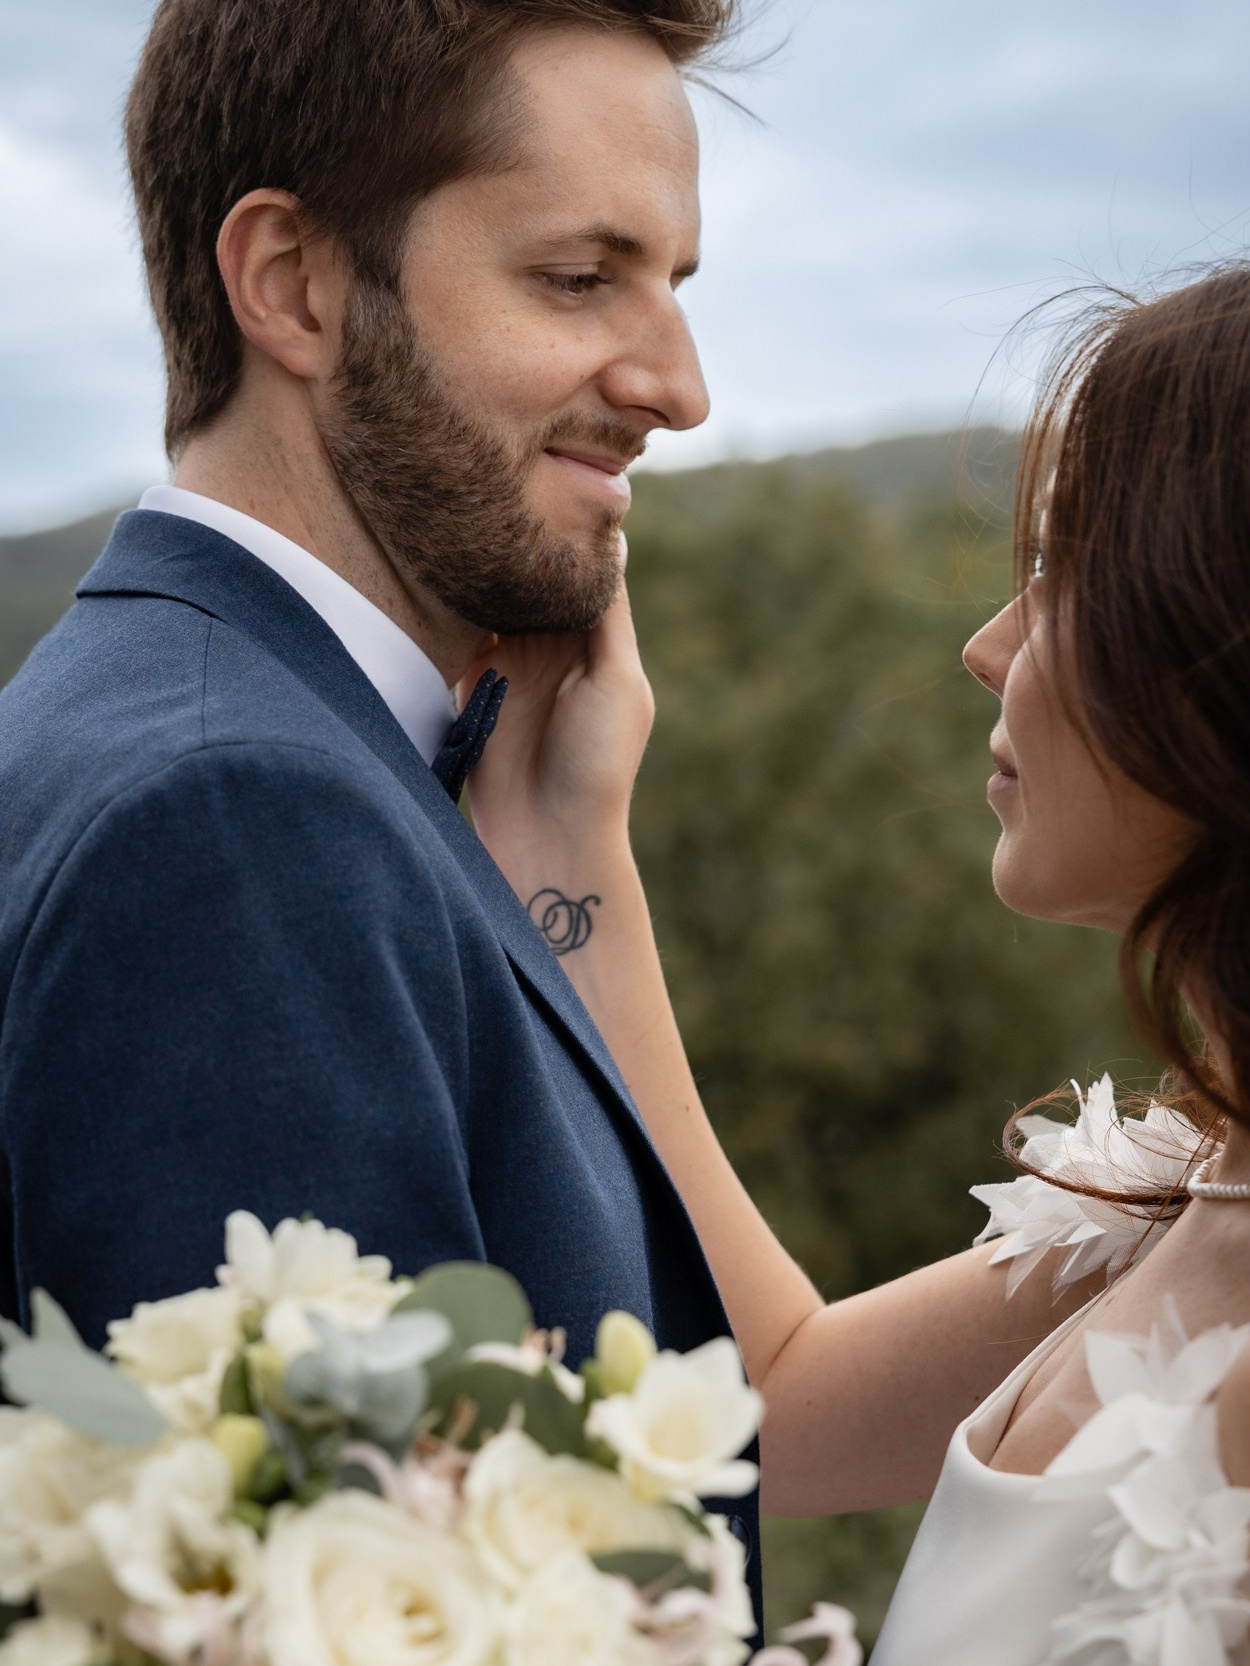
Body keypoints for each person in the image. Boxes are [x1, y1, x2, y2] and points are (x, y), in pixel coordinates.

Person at [0, 0, 779, 1599]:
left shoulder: (192, 730)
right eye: (580, 277)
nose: (678, 386)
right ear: (292, 283)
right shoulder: (237, 821)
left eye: (674, 285)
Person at [465, 260, 1250, 1665]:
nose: (989, 647)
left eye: (1063, 576)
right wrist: (569, 830)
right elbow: (768, 1394)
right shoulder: (1181, 1191)